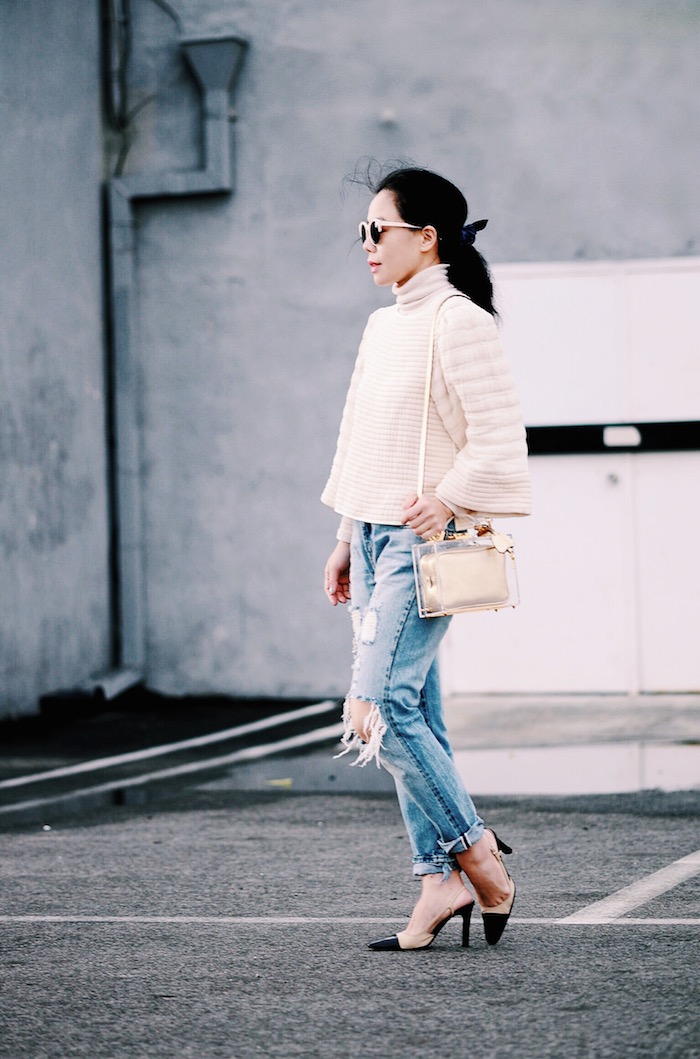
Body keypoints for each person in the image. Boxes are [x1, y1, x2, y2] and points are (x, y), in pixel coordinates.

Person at [321, 166, 531, 951]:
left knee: (381, 709)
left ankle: (480, 860)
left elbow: (499, 433)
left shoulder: (458, 320)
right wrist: (347, 536)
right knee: (421, 714)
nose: (368, 245)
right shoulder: (385, 326)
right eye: (364, 233)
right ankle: (436, 880)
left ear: (426, 237)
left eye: (381, 230)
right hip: (375, 538)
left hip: (426, 541)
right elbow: (361, 441)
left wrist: (447, 495)